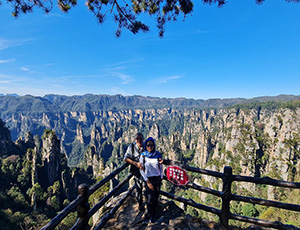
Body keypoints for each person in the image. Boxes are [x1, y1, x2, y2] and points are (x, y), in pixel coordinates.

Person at [140, 137, 163, 224]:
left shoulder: (157, 155)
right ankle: (147, 217)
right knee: (149, 199)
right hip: (148, 179)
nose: (150, 147)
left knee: (155, 199)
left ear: (154, 146)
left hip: (157, 179)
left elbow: (160, 166)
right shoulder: (143, 155)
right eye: (148, 145)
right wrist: (147, 181)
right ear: (145, 146)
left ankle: (152, 218)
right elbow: (141, 169)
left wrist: (161, 177)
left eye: (151, 145)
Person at [124, 132, 145, 210]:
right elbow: (125, 158)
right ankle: (140, 204)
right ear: (135, 140)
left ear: (143, 139)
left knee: (147, 186)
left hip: (145, 170)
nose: (139, 140)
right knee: (138, 187)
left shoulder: (146, 146)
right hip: (136, 171)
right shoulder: (131, 147)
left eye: (140, 138)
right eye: (137, 139)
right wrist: (135, 163)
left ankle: (149, 204)